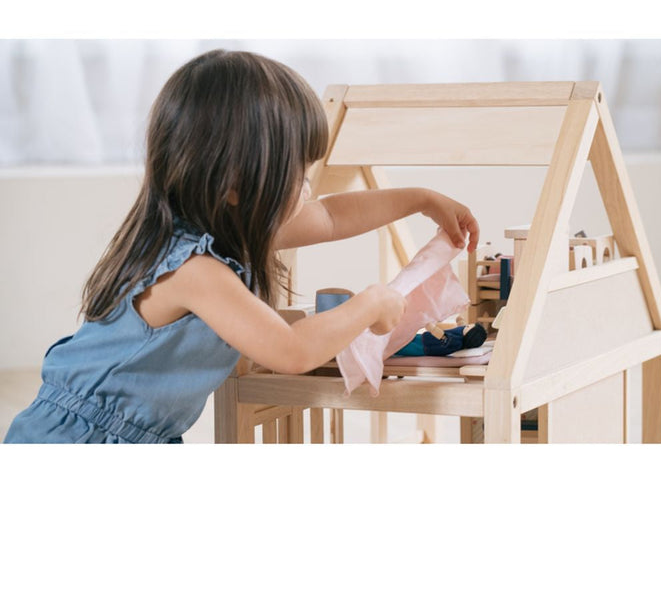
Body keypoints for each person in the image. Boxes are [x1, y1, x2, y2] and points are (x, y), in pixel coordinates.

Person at [3, 49, 479, 443]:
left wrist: (422, 200)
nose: (307, 189)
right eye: (297, 174)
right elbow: (291, 350)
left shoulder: (226, 224)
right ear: (235, 184)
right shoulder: (194, 270)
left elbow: (333, 216)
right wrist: (372, 303)